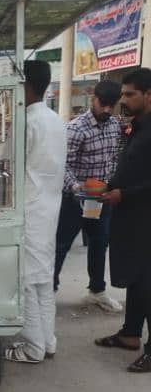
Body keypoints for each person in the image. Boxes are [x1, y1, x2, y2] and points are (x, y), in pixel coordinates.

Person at [5, 60, 67, 363]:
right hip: (49, 207)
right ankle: (48, 341)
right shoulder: (56, 120)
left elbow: (10, 167)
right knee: (43, 279)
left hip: (29, 209)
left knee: (27, 280)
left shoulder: (26, 121)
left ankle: (32, 348)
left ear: (25, 84)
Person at [95, 68, 151, 372]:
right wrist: (108, 186)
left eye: (130, 94)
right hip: (130, 217)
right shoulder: (137, 127)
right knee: (135, 278)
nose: (124, 99)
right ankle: (131, 333)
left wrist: (124, 195)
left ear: (148, 95)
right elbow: (130, 165)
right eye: (123, 94)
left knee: (148, 282)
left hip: (145, 217)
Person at [54, 81, 123, 311]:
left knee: (99, 242)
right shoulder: (76, 129)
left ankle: (97, 291)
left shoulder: (114, 126)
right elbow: (63, 166)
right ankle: (49, 292)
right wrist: (76, 187)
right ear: (94, 99)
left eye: (111, 106)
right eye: (103, 104)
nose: (106, 110)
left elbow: (112, 158)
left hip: (100, 199)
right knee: (61, 245)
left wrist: (110, 184)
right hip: (74, 200)